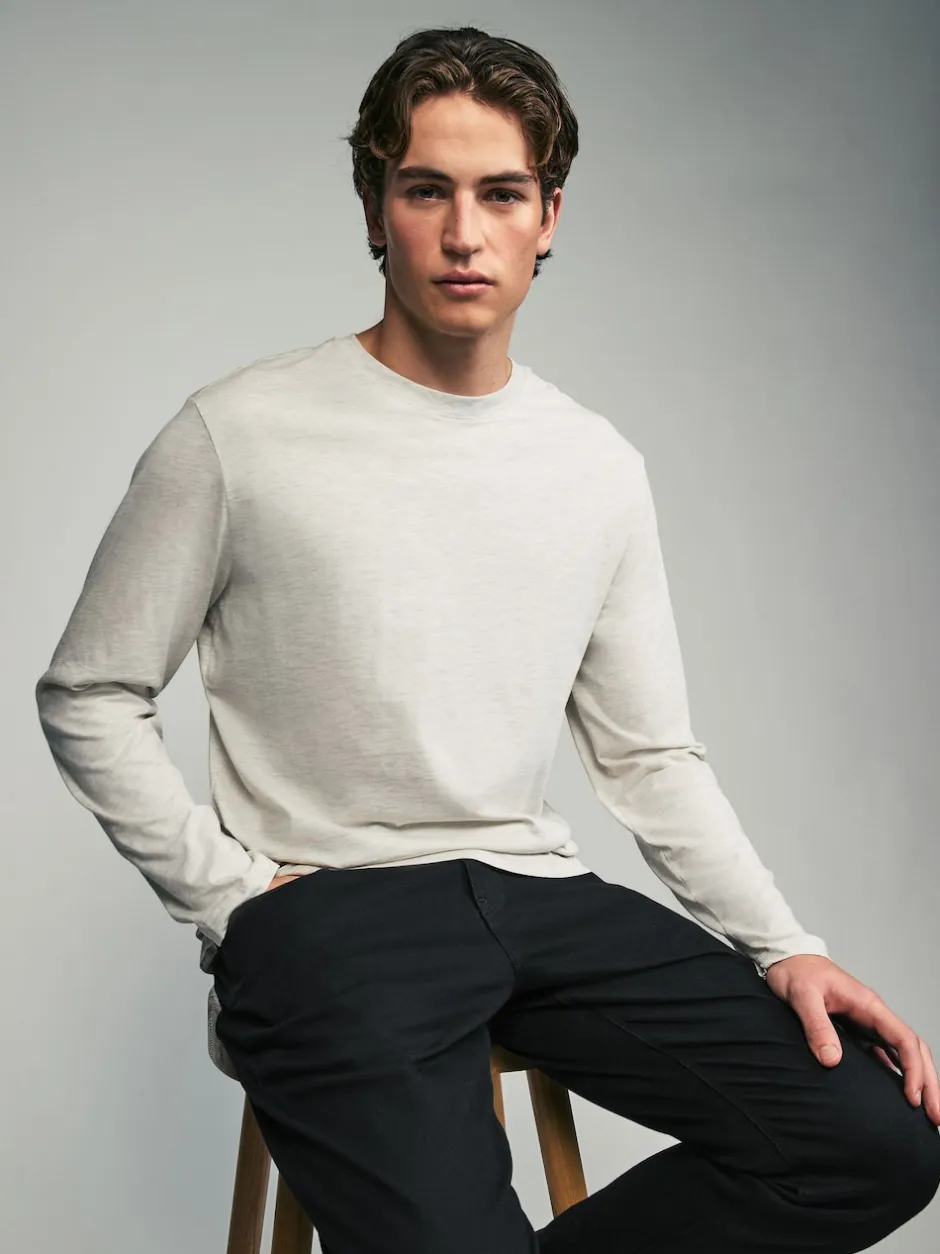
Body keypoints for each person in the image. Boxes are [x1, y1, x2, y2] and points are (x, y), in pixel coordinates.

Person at [35, 23, 939, 1254]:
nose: (465, 234)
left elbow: (649, 757)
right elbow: (89, 690)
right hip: (330, 914)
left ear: (548, 217)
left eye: (501, 194)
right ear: (375, 207)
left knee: (876, 1145)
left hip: (540, 900)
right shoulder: (238, 434)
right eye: (427, 191)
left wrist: (787, 947)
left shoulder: (594, 466)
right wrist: (232, 900)